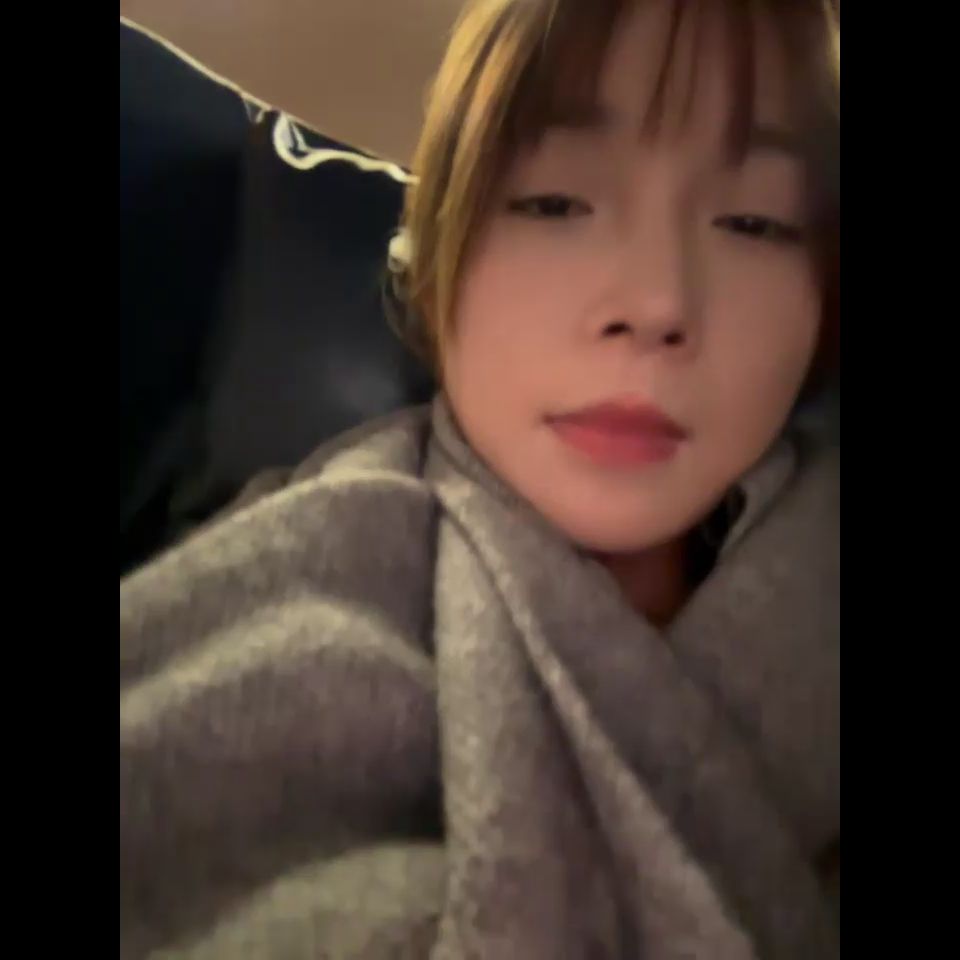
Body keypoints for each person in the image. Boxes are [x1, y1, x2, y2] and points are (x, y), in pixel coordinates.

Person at [120, 0, 840, 957]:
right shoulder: (293, 581)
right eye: (556, 203)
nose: (657, 301)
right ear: (439, 264)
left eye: (753, 221)